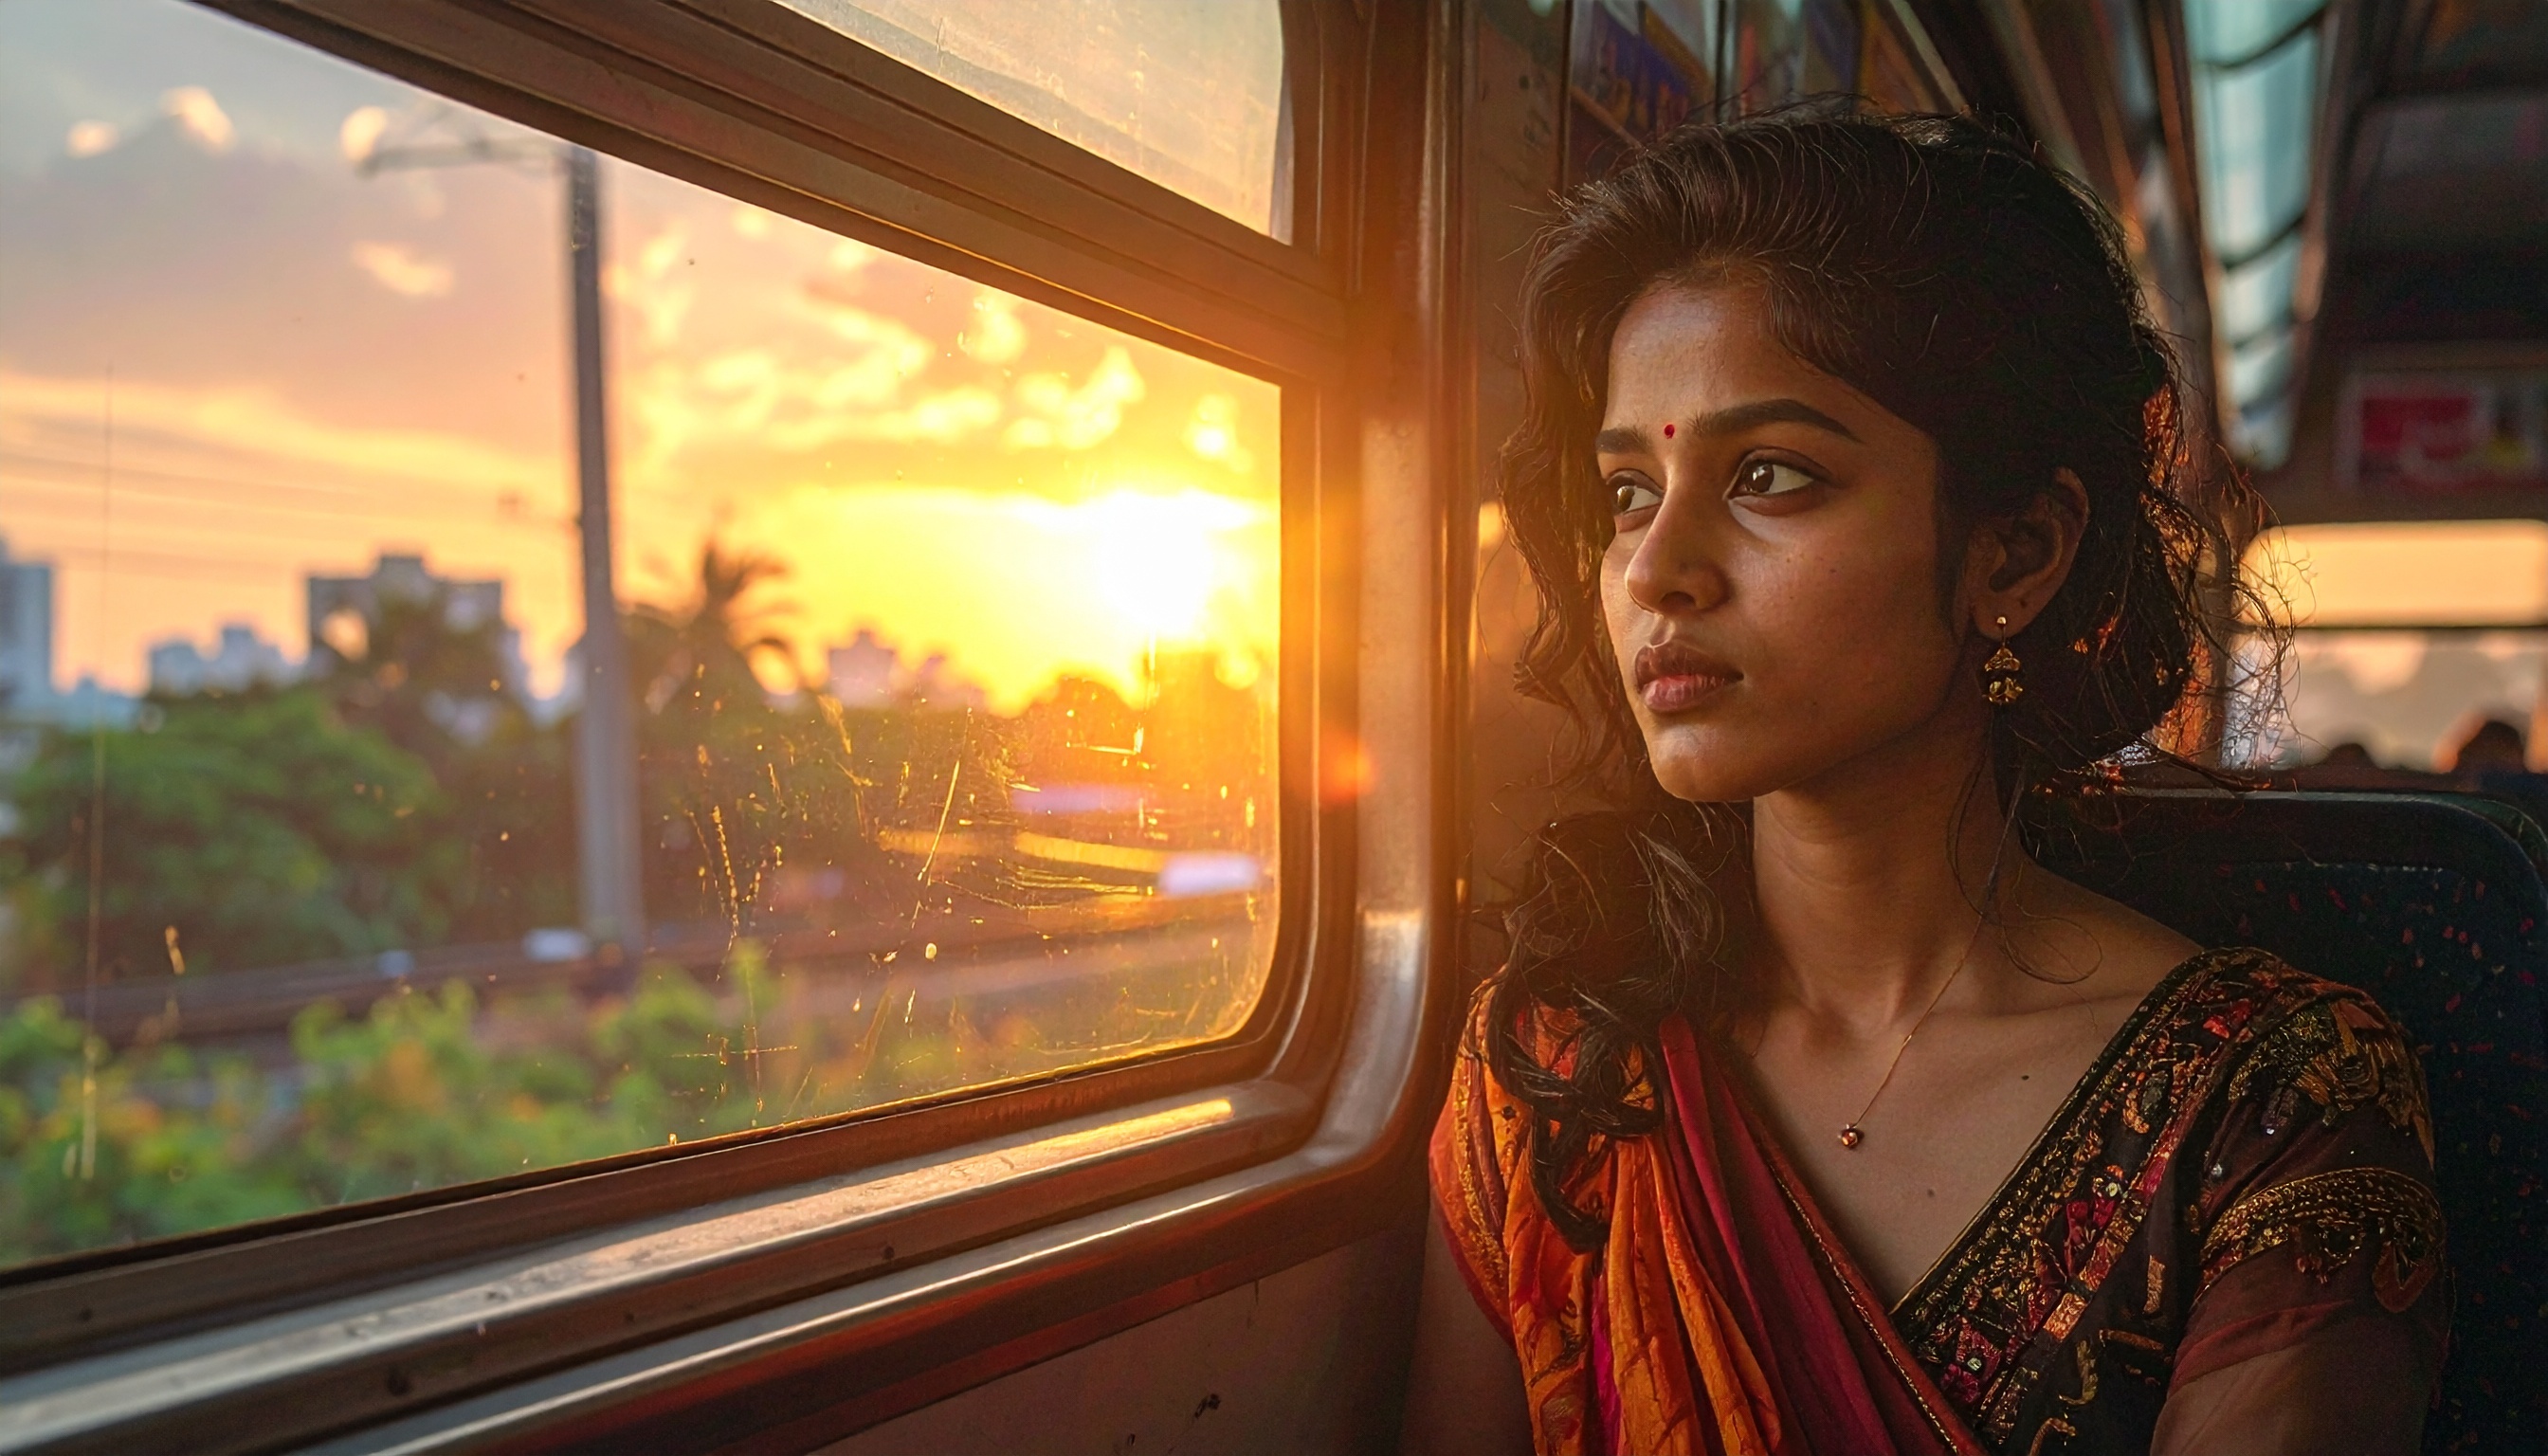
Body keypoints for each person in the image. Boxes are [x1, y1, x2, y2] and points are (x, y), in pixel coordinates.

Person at [1402, 109, 2448, 1456]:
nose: (1656, 568)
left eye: (1768, 477)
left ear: (2013, 556)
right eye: (1626, 491)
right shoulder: (1555, 1074)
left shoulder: (2276, 1107)